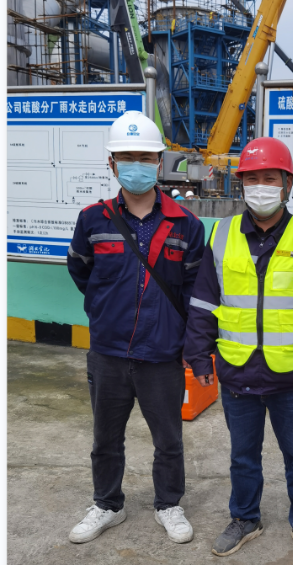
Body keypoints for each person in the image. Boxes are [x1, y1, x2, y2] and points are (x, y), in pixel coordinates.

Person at [184, 137, 293, 565]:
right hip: (237, 369)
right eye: (251, 179)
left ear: (287, 183)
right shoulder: (221, 234)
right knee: (242, 457)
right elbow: (204, 301)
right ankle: (244, 518)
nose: (260, 187)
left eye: (269, 178)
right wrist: (198, 356)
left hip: (292, 374)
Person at [67, 111, 205, 545]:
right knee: (105, 438)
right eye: (126, 157)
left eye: (144, 157)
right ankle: (108, 504)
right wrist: (106, 310)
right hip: (107, 353)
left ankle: (169, 503)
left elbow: (193, 291)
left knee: (169, 439)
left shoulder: (186, 224)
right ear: (111, 163)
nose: (136, 165)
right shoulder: (93, 219)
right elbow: (81, 271)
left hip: (162, 355)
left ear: (159, 162)